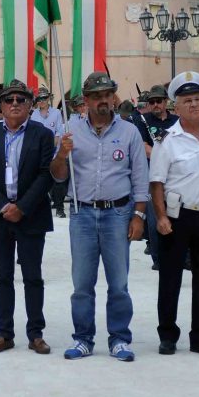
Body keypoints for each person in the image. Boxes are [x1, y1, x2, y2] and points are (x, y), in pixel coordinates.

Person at [52, 72, 148, 362]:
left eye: (107, 94)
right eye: (96, 96)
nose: (102, 100)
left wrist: (139, 215)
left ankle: (119, 338)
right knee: (82, 284)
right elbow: (58, 176)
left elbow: (140, 178)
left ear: (113, 97)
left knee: (118, 283)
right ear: (86, 100)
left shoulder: (129, 132)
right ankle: (83, 338)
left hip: (117, 214)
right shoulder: (71, 131)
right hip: (82, 214)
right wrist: (61, 154)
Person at [0, 79, 55, 355]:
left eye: (21, 99)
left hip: (31, 215)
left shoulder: (42, 134)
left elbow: (46, 174)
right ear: (1, 106)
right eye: (9, 100)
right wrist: (2, 206)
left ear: (31, 105)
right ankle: (5, 333)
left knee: (33, 277)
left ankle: (36, 334)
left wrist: (22, 207)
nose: (15, 104)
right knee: (3, 276)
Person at [149, 71, 199, 358]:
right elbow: (156, 183)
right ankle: (167, 335)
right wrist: (161, 217)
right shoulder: (167, 140)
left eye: (198, 99)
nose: (193, 105)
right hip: (176, 218)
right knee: (170, 279)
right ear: (175, 107)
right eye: (187, 101)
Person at [30, 86, 67, 218]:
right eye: (39, 99)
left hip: (54, 151)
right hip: (39, 152)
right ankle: (44, 205)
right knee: (41, 179)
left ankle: (60, 207)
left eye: (44, 98)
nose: (42, 101)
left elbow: (59, 131)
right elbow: (32, 133)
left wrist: (54, 145)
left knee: (58, 180)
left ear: (48, 99)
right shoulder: (34, 114)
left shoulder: (56, 113)